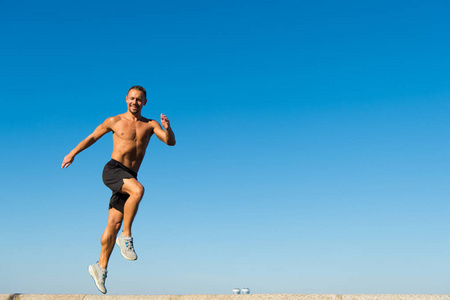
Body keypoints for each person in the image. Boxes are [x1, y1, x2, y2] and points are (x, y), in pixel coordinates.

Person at [61, 85, 175, 294]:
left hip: (129, 177)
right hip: (113, 170)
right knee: (138, 191)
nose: (135, 102)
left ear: (145, 102)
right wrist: (73, 153)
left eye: (139, 99)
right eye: (132, 99)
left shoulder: (150, 125)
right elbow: (93, 137)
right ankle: (127, 236)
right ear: (126, 99)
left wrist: (168, 128)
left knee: (112, 224)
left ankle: (100, 267)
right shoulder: (115, 121)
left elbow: (170, 142)